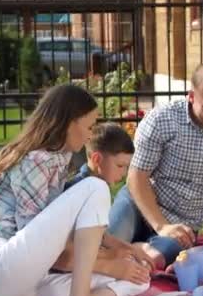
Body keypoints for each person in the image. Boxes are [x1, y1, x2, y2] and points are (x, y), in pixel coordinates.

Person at [0, 85, 148, 296]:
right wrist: (109, 263)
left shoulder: (58, 159)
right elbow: (48, 253)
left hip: (22, 285)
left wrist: (122, 252)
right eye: (88, 126)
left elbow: (54, 240)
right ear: (68, 122)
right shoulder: (35, 160)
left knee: (139, 279)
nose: (90, 135)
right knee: (96, 187)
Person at [108, 62, 203, 269]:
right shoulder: (161, 119)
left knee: (150, 262)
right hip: (138, 205)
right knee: (104, 248)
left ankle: (135, 252)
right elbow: (137, 177)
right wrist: (161, 226)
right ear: (191, 97)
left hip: (182, 226)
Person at [52, 122, 154, 286]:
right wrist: (110, 257)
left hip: (84, 263)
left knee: (136, 277)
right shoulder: (78, 191)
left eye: (126, 167)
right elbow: (66, 250)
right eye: (120, 166)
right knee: (130, 282)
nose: (123, 173)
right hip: (65, 270)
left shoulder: (99, 186)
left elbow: (100, 234)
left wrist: (129, 249)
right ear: (97, 159)